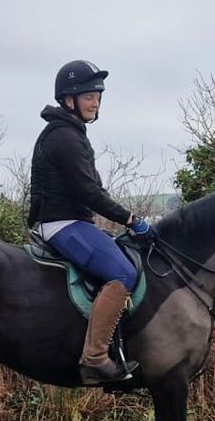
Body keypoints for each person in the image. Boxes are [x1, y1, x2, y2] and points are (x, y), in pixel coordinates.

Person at [28, 59, 156, 385]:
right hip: (61, 223)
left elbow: (94, 189)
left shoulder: (73, 134)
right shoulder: (64, 138)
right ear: (69, 100)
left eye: (98, 95)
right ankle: (95, 358)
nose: (95, 102)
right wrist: (130, 219)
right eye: (88, 96)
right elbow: (88, 192)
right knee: (123, 272)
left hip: (73, 221)